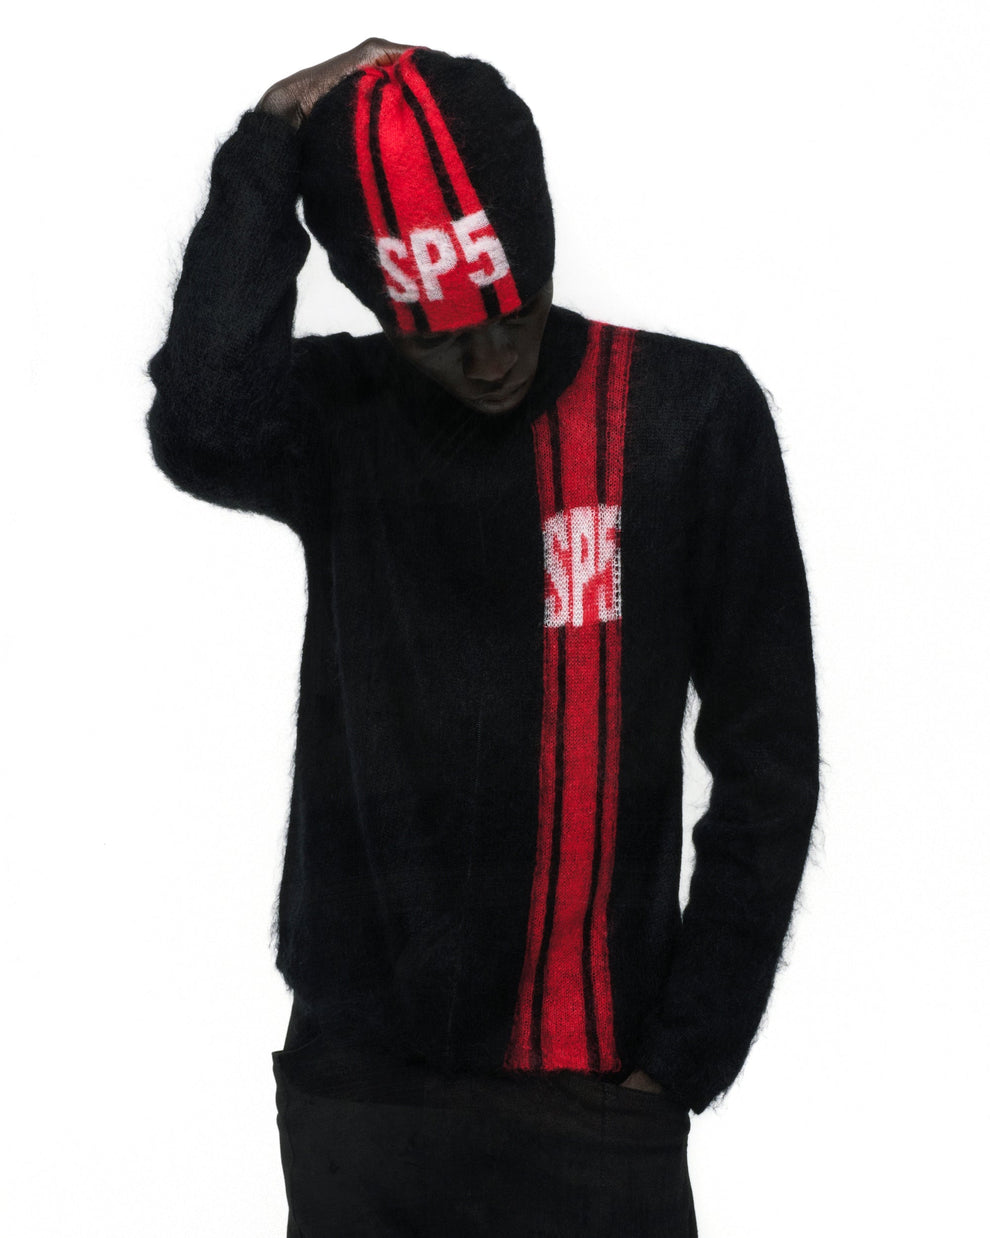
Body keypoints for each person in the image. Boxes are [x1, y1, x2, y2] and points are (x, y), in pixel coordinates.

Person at [145, 38, 820, 1237]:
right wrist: (268, 142)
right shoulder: (345, 421)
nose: (492, 355)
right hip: (358, 1089)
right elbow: (200, 419)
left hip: (593, 1091)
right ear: (379, 305)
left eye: (511, 307)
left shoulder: (685, 416)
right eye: (439, 332)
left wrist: (681, 1057)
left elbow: (768, 757)